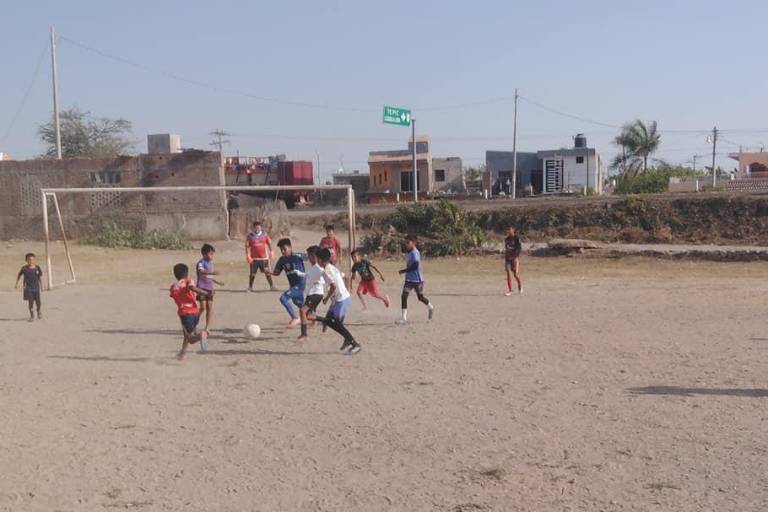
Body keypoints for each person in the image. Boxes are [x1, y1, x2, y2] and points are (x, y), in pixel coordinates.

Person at [316, 248, 361, 354]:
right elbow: (347, 278)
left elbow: (333, 286)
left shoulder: (326, 271)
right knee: (329, 319)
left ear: (321, 260)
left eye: (317, 259)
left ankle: (355, 344)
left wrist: (327, 298)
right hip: (339, 299)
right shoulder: (332, 267)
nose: (316, 261)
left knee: (337, 324)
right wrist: (345, 290)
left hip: (341, 300)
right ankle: (346, 339)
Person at [170, 263, 210, 360]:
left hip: (185, 314)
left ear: (175, 274)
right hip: (195, 312)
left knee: (190, 338)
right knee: (186, 335)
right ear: (186, 273)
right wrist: (205, 292)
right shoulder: (189, 280)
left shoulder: (173, 287)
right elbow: (192, 288)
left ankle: (201, 335)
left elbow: (176, 295)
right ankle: (182, 354)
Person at [267, 238, 306, 328]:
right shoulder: (282, 260)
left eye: (285, 249)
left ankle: (295, 318)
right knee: (301, 305)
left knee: (283, 298)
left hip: (301, 284)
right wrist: (270, 272)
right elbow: (277, 272)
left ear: (290, 247)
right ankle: (315, 319)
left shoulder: (298, 256)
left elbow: (313, 258)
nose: (283, 252)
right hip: (293, 285)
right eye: (281, 250)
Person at [397, 234, 434, 325]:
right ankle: (404, 319)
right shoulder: (408, 251)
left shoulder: (415, 252)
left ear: (414, 243)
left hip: (418, 280)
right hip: (409, 280)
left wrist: (404, 271)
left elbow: (415, 266)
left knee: (420, 297)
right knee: (404, 296)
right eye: (405, 242)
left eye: (408, 242)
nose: (406, 244)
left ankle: (430, 307)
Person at [297, 245, 326, 341]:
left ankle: (304, 334)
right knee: (308, 316)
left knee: (302, 311)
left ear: (315, 256)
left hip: (316, 294)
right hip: (312, 294)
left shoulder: (318, 267)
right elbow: (308, 276)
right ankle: (324, 320)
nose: (308, 258)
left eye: (309, 256)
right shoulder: (313, 268)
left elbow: (325, 274)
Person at [196, 243, 224, 332]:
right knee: (202, 308)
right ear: (203, 254)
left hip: (209, 288)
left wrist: (217, 282)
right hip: (201, 288)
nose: (212, 256)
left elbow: (209, 277)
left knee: (209, 308)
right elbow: (202, 272)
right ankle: (194, 323)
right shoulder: (200, 263)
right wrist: (212, 273)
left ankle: (207, 327)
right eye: (210, 254)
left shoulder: (211, 263)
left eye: (213, 254)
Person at [245, 220, 276, 292]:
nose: (257, 229)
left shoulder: (265, 235)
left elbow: (269, 243)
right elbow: (246, 246)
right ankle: (250, 287)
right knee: (252, 273)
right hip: (254, 259)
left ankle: (272, 286)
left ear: (260, 227)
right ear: (253, 228)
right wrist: (248, 255)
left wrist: (271, 251)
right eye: (256, 228)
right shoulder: (250, 236)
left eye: (258, 227)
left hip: (264, 258)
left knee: (267, 272)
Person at [15, 252, 43, 321]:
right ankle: (32, 316)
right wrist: (16, 284)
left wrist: (42, 286)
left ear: (34, 260)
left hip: (36, 288)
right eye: (29, 260)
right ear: (26, 260)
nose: (31, 261)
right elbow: (19, 275)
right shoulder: (24, 268)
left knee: (38, 302)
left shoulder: (37, 267)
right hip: (28, 289)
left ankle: (38, 311)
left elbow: (40, 277)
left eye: (32, 260)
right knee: (30, 303)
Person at [504, 226, 524, 296]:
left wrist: (515, 257)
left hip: (515, 259)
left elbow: (519, 248)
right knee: (508, 272)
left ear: (513, 230)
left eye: (510, 230)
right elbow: (507, 249)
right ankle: (510, 290)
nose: (509, 231)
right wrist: (507, 256)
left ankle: (520, 285)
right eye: (508, 230)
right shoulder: (506, 239)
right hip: (508, 259)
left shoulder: (517, 238)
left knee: (515, 274)